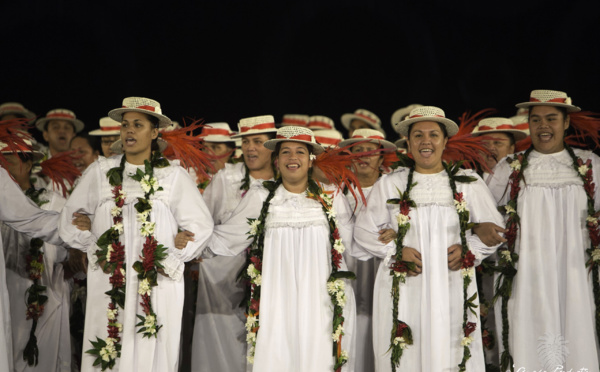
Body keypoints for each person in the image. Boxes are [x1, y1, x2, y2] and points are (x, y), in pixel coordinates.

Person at [58, 97, 214, 372]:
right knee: (108, 340)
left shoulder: (172, 176)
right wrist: (92, 246)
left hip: (157, 280)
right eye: (125, 125)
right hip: (109, 275)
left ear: (154, 133)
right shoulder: (101, 172)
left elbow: (200, 225)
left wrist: (176, 255)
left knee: (150, 343)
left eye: (138, 125)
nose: (129, 130)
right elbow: (69, 219)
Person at [354, 106, 504, 371]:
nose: (426, 141)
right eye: (418, 135)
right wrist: (396, 251)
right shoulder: (390, 183)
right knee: (406, 349)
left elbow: (496, 231)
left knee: (451, 346)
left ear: (445, 141)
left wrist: (469, 249)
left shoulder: (467, 182)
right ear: (408, 143)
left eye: (433, 135)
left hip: (451, 282)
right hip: (405, 285)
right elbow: (363, 231)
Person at [206, 126, 357, 371]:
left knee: (319, 354)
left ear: (310, 161)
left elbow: (354, 241)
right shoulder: (261, 197)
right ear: (276, 161)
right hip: (276, 300)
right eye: (285, 152)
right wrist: (186, 242)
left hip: (320, 300)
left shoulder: (331, 197)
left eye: (300, 152)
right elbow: (227, 237)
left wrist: (394, 241)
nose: (292, 158)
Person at [487, 90, 600, 371]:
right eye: (535, 120)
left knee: (577, 327)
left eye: (551, 118)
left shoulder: (591, 164)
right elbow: (484, 216)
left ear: (566, 123)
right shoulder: (508, 168)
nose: (543, 126)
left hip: (576, 272)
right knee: (526, 329)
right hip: (526, 272)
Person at [189, 115, 277, 372]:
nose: (250, 148)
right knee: (224, 344)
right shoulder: (226, 178)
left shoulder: (285, 183)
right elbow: (202, 221)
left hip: (269, 280)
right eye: (246, 141)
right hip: (222, 283)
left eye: (258, 141)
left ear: (272, 146)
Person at [1, 139, 75, 372]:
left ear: (27, 163)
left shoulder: (55, 203)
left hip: (45, 292)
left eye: (7, 161)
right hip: (7, 291)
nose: (2, 167)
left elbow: (69, 257)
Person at [338, 128, 396, 372]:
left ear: (381, 157)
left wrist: (398, 232)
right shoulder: (338, 191)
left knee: (381, 322)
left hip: (382, 269)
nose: (363, 155)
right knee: (353, 324)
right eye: (358, 150)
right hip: (348, 270)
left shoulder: (394, 189)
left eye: (370, 151)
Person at [470, 117, 528, 181]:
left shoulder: (523, 178)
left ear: (511, 149)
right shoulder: (467, 179)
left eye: (497, 143)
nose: (491, 148)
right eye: (485, 143)